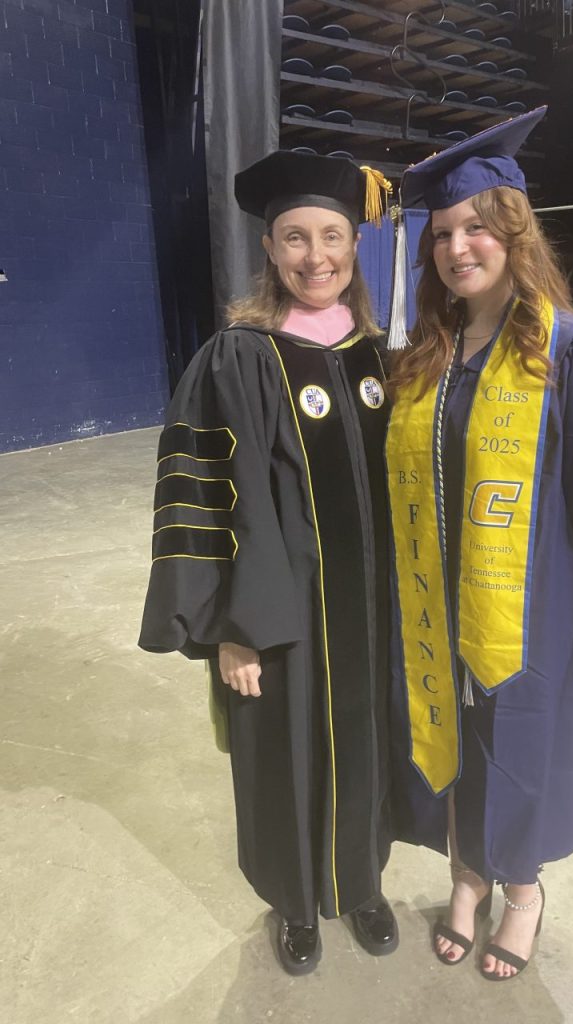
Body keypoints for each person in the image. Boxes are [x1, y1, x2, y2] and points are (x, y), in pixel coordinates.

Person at [385, 108, 573, 981]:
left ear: (513, 232)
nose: (457, 248)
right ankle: (466, 877)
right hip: (434, 594)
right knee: (453, 734)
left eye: (475, 229)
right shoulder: (431, 351)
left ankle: (523, 891)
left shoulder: (569, 349)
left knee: (521, 739)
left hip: (526, 600)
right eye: (442, 235)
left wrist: (570, 560)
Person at [139, 151, 397, 975]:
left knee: (366, 746)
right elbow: (208, 501)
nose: (315, 256)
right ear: (271, 251)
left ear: (354, 247)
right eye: (295, 238)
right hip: (279, 614)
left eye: (331, 236)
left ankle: (359, 882)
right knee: (285, 758)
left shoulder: (376, 355)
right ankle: (296, 903)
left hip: (370, 615)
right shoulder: (240, 355)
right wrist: (232, 629)